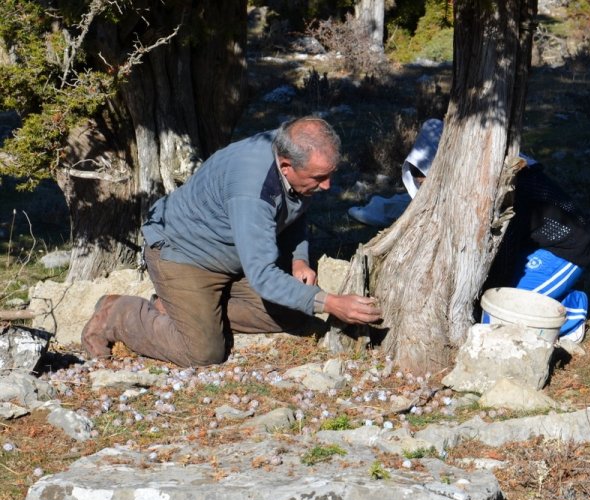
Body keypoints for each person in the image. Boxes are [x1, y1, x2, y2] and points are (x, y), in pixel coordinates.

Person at [81, 116, 382, 367]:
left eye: (330, 175)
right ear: (287, 165)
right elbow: (263, 275)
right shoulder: (252, 189)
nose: (327, 186)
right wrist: (330, 303)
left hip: (235, 257)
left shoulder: (289, 159)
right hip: (183, 255)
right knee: (204, 352)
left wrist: (299, 258)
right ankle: (118, 313)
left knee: (297, 310)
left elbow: (295, 208)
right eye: (319, 178)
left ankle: (181, 309)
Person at [349, 119, 590, 341]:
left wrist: (479, 296)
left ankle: (572, 310)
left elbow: (502, 253)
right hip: (529, 248)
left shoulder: (505, 188)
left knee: (498, 322)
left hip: (563, 251)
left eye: (429, 182)